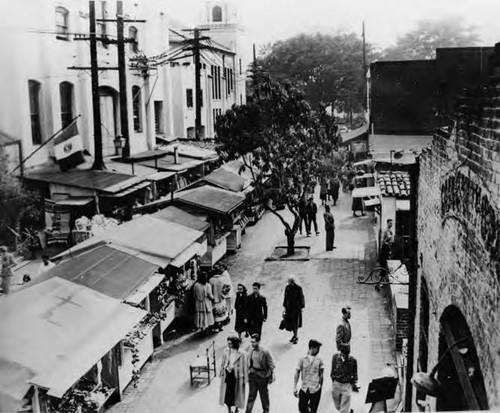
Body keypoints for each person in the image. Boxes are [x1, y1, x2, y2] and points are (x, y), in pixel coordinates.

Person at [246, 334, 275, 413]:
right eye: (251, 342)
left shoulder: (265, 352)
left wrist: (267, 375)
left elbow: (272, 365)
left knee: (264, 396)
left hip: (262, 376)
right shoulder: (251, 349)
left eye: (254, 342)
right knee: (251, 396)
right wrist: (249, 370)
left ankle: (266, 410)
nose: (252, 344)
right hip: (252, 375)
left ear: (259, 342)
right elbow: (249, 361)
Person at [294, 339, 324, 413]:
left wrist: (320, 385)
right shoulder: (302, 359)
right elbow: (297, 372)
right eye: (317, 348)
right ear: (312, 348)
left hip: (315, 389)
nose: (319, 351)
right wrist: (295, 386)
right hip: (304, 388)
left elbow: (321, 374)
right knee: (301, 408)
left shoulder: (319, 359)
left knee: (313, 410)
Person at [220, 336, 248, 413]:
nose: (229, 345)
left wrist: (245, 379)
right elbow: (224, 362)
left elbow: (245, 366)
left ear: (235, 344)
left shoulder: (242, 353)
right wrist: (225, 368)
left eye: (230, 344)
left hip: (238, 376)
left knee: (237, 394)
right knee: (228, 394)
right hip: (228, 375)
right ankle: (229, 410)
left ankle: (236, 409)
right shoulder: (226, 350)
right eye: (228, 343)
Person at [330, 345, 359, 413]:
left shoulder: (353, 360)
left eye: (347, 354)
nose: (345, 356)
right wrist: (333, 381)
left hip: (346, 385)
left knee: (343, 409)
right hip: (336, 384)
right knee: (338, 406)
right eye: (343, 354)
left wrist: (352, 384)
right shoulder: (335, 357)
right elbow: (332, 369)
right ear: (341, 352)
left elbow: (355, 374)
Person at [282, 277, 305, 344]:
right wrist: (285, 306)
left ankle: (296, 336)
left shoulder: (298, 288)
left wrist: (301, 306)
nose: (289, 283)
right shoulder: (287, 288)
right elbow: (285, 297)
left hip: (296, 309)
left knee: (295, 324)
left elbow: (301, 298)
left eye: (290, 282)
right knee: (290, 323)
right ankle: (294, 336)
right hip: (289, 308)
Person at [210, 267, 231, 331]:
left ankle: (216, 326)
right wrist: (223, 293)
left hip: (214, 299)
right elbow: (228, 287)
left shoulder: (211, 280)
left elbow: (209, 289)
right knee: (222, 313)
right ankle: (221, 326)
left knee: (216, 314)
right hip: (221, 298)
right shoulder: (223, 279)